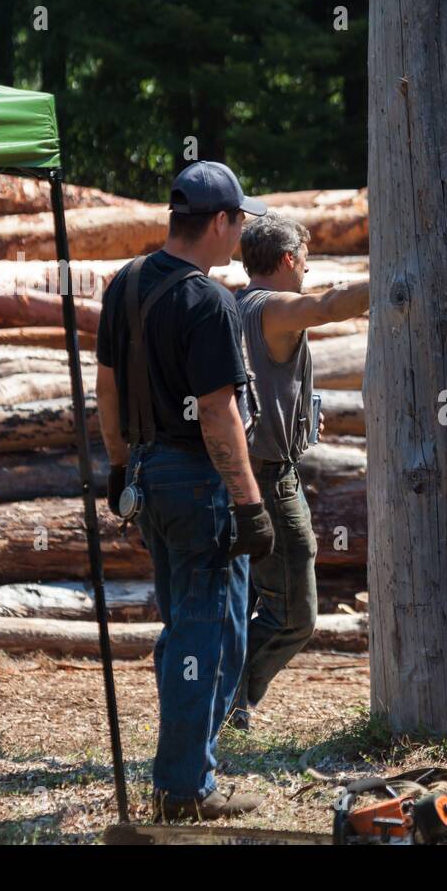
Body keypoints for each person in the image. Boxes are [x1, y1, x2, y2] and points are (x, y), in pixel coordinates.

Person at [95, 160, 276, 820]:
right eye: (240, 222)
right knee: (204, 632)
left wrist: (120, 467)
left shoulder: (126, 285)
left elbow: (107, 389)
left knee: (203, 627)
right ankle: (182, 788)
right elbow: (221, 413)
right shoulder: (209, 301)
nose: (241, 236)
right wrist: (252, 503)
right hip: (199, 483)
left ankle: (190, 765)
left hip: (148, 475)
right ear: (220, 222)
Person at [225, 212, 370, 730]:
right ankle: (228, 701)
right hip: (267, 478)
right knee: (294, 614)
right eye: (304, 261)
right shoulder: (274, 308)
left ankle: (224, 702)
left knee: (249, 600)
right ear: (288, 260)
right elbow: (328, 306)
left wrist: (300, 412)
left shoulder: (236, 304)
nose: (306, 270)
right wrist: (397, 272)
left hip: (244, 471)